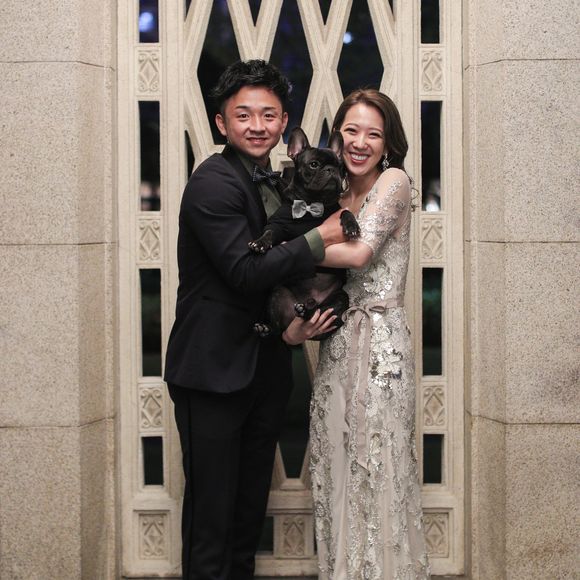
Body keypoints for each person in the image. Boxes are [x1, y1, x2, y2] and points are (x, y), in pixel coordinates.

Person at [163, 59, 346, 580]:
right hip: (212, 371)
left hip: (265, 366)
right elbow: (244, 272)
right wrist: (320, 238)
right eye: (243, 115)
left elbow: (279, 276)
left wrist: (290, 330)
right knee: (212, 519)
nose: (257, 125)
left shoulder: (285, 183)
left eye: (268, 115)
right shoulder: (211, 183)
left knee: (247, 515)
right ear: (221, 123)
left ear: (283, 122)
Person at [307, 89, 431, 579]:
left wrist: (288, 251)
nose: (360, 142)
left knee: (378, 460)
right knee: (335, 460)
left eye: (373, 134)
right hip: (339, 342)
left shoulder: (394, 182)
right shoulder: (335, 195)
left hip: (381, 347)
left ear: (388, 143)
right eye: (351, 131)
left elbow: (360, 255)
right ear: (337, 137)